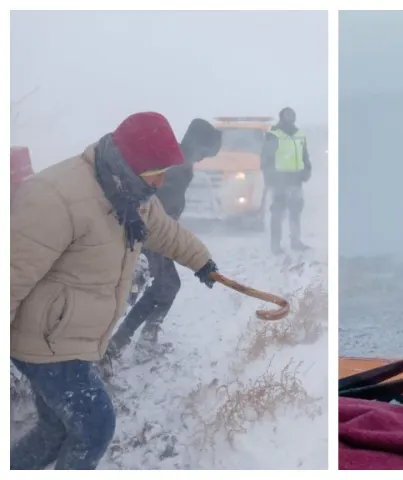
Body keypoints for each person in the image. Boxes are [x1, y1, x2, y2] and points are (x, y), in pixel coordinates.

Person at [10, 112, 220, 470]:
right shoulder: (56, 197)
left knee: (55, 429)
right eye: (156, 172)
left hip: (71, 334)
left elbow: (164, 231)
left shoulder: (130, 190)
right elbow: (12, 275)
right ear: (132, 162)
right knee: (95, 426)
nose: (161, 181)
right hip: (46, 340)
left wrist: (201, 261)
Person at [104, 119, 223, 361]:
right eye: (206, 153)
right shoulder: (176, 167)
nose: (203, 160)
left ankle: (135, 339)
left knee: (165, 286)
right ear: (198, 144)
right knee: (156, 287)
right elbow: (155, 205)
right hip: (149, 235)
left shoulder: (181, 162)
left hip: (155, 234)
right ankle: (117, 344)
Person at [261, 107, 312, 254]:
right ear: (281, 117)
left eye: (292, 115)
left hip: (296, 181)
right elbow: (265, 159)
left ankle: (295, 241)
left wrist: (307, 170)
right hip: (279, 181)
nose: (290, 117)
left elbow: (305, 156)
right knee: (278, 213)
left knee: (295, 211)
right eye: (287, 115)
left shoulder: (299, 134)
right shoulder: (274, 135)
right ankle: (275, 245)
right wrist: (269, 179)